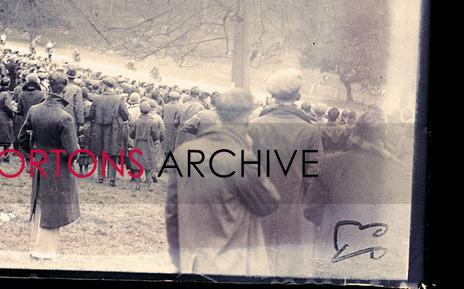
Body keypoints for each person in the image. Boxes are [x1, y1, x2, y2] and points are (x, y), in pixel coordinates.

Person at [165, 89, 281, 276]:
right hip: (232, 265)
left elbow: (172, 211)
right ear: (248, 116)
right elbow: (267, 203)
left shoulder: (183, 152)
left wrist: (177, 257)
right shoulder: (241, 157)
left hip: (193, 261)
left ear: (218, 112)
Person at [302, 107, 412, 281]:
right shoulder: (396, 170)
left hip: (334, 244)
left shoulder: (329, 164)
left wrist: (327, 222)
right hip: (376, 250)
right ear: (383, 137)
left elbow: (310, 209)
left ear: (355, 132)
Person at [247, 69, 323, 277]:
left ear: (271, 96)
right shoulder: (310, 131)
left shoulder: (253, 126)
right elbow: (314, 176)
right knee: (291, 270)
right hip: (294, 210)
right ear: (298, 97)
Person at [18, 71, 80, 261]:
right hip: (58, 166)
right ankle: (44, 252)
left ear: (48, 86)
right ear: (65, 89)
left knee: (40, 204)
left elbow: (21, 137)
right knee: (53, 209)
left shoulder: (34, 110)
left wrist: (33, 153)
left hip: (40, 162)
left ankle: (37, 247)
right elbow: (73, 152)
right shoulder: (65, 117)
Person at [86, 76, 130, 186]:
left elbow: (90, 115)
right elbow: (125, 116)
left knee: (100, 153)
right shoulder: (118, 99)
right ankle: (112, 179)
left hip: (99, 128)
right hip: (113, 130)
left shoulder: (97, 98)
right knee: (112, 154)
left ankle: (100, 176)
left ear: (105, 86)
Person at [129, 100, 161, 191]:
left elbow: (131, 134)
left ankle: (137, 185)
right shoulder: (152, 122)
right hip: (148, 145)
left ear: (140, 110)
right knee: (148, 166)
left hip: (138, 144)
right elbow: (156, 135)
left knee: (137, 166)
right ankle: (149, 186)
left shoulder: (136, 121)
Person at [0, 77, 17, 160]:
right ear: (8, 85)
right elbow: (8, 107)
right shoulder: (7, 95)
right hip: (5, 117)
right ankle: (6, 156)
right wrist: (12, 115)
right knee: (6, 138)